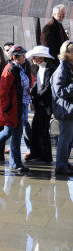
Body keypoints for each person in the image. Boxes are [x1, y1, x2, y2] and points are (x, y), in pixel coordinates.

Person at [0, 45, 30, 172]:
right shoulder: (10, 70)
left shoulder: (16, 68)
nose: (24, 57)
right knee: (15, 135)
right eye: (22, 55)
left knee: (8, 132)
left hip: (16, 107)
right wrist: (7, 109)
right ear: (15, 57)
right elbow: (3, 93)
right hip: (13, 109)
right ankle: (15, 163)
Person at [25, 46, 56, 163]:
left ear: (42, 57)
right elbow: (38, 85)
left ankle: (46, 156)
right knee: (36, 128)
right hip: (40, 103)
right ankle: (36, 153)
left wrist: (35, 99)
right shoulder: (40, 68)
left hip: (46, 104)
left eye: (35, 56)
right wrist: (32, 94)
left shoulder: (50, 69)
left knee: (43, 130)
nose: (33, 58)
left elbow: (47, 88)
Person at [50, 41, 73, 175]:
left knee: (69, 139)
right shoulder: (61, 69)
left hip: (69, 110)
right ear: (68, 54)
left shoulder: (68, 67)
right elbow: (60, 91)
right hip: (66, 110)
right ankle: (60, 165)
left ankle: (64, 162)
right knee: (65, 138)